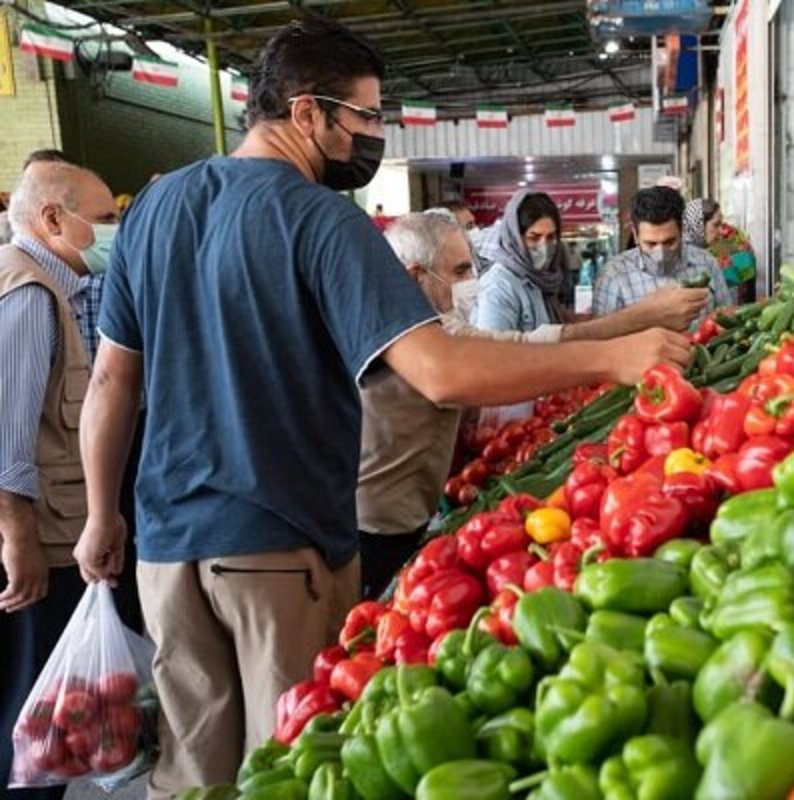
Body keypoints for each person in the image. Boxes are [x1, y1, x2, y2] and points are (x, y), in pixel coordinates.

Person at [71, 17, 689, 797]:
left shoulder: (155, 211)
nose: (371, 137)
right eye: (363, 117)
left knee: (189, 772)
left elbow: (112, 383)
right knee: (289, 766)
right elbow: (437, 370)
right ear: (307, 113)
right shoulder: (320, 219)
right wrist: (612, 354)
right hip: (276, 542)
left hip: (165, 548)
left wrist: (103, 515)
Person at [356, 214, 709, 596]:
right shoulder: (396, 333)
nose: (470, 281)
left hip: (409, 513)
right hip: (370, 525)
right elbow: (463, 374)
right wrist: (615, 351)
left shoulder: (440, 324)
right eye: (459, 271)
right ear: (415, 277)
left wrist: (634, 325)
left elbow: (524, 345)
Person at [0, 159, 119, 798]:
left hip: (44, 528)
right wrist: (18, 539)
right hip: (35, 540)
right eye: (103, 220)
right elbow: (5, 432)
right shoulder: (27, 294)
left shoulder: (47, 287)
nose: (112, 232)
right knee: (35, 718)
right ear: (53, 220)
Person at [594, 186, 733, 318]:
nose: (660, 252)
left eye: (669, 242)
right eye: (651, 243)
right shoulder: (614, 275)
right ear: (636, 236)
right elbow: (601, 338)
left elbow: (726, 316)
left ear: (682, 231)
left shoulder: (706, 262)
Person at [474, 190, 569, 333]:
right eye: (534, 237)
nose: (543, 247)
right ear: (515, 238)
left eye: (550, 237)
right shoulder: (499, 287)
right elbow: (493, 352)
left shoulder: (541, 281)